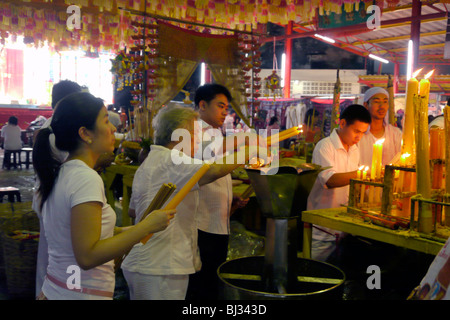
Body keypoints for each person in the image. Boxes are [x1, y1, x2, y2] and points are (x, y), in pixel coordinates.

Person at [32, 92, 175, 300]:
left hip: (60, 289)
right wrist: (146, 227)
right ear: (85, 133)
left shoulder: (63, 172)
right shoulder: (85, 178)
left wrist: (130, 230)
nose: (113, 129)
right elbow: (88, 256)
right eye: (106, 121)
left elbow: (81, 232)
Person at [121, 104, 262, 300]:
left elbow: (133, 211)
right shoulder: (172, 159)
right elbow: (212, 170)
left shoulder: (152, 161)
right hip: (160, 265)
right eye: (194, 136)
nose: (196, 143)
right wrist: (251, 150)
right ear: (179, 136)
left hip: (148, 262)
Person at [186, 84, 253, 300]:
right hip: (201, 224)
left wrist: (230, 198)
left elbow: (217, 174)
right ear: (202, 105)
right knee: (201, 285)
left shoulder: (215, 132)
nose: (225, 111)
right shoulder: (194, 133)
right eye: (220, 106)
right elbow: (207, 170)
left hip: (217, 221)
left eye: (227, 107)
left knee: (213, 282)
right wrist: (246, 148)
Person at [33, 80, 83, 298]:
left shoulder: (51, 125)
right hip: (57, 197)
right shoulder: (61, 127)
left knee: (49, 256)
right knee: (61, 258)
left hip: (47, 196)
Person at [307, 104, 371, 262]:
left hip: (343, 226)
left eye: (362, 133)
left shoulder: (354, 149)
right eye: (356, 131)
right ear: (342, 124)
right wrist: (362, 175)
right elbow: (330, 180)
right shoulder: (325, 146)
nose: (359, 137)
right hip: (323, 228)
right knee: (317, 274)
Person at [358, 87, 402, 168]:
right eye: (376, 101)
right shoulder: (358, 135)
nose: (382, 106)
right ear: (366, 105)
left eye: (385, 102)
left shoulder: (395, 134)